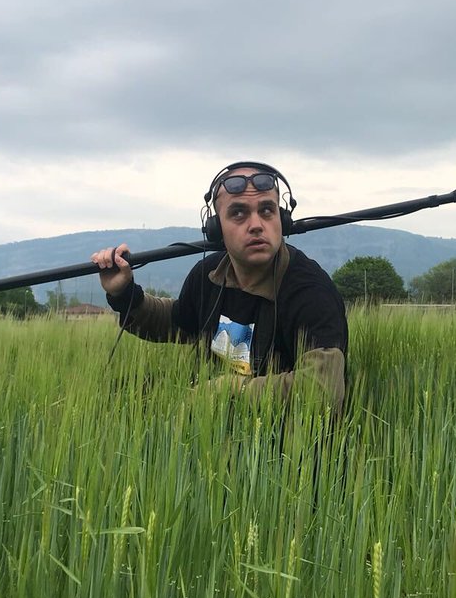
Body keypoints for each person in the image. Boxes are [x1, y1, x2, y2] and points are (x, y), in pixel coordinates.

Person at [91, 161, 349, 413]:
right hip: (209, 441)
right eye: (238, 213)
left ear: (282, 219)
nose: (257, 224)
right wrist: (123, 293)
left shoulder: (310, 291)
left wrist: (231, 390)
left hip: (284, 449)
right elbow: (176, 322)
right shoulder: (209, 275)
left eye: (267, 210)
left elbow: (323, 391)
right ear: (216, 229)